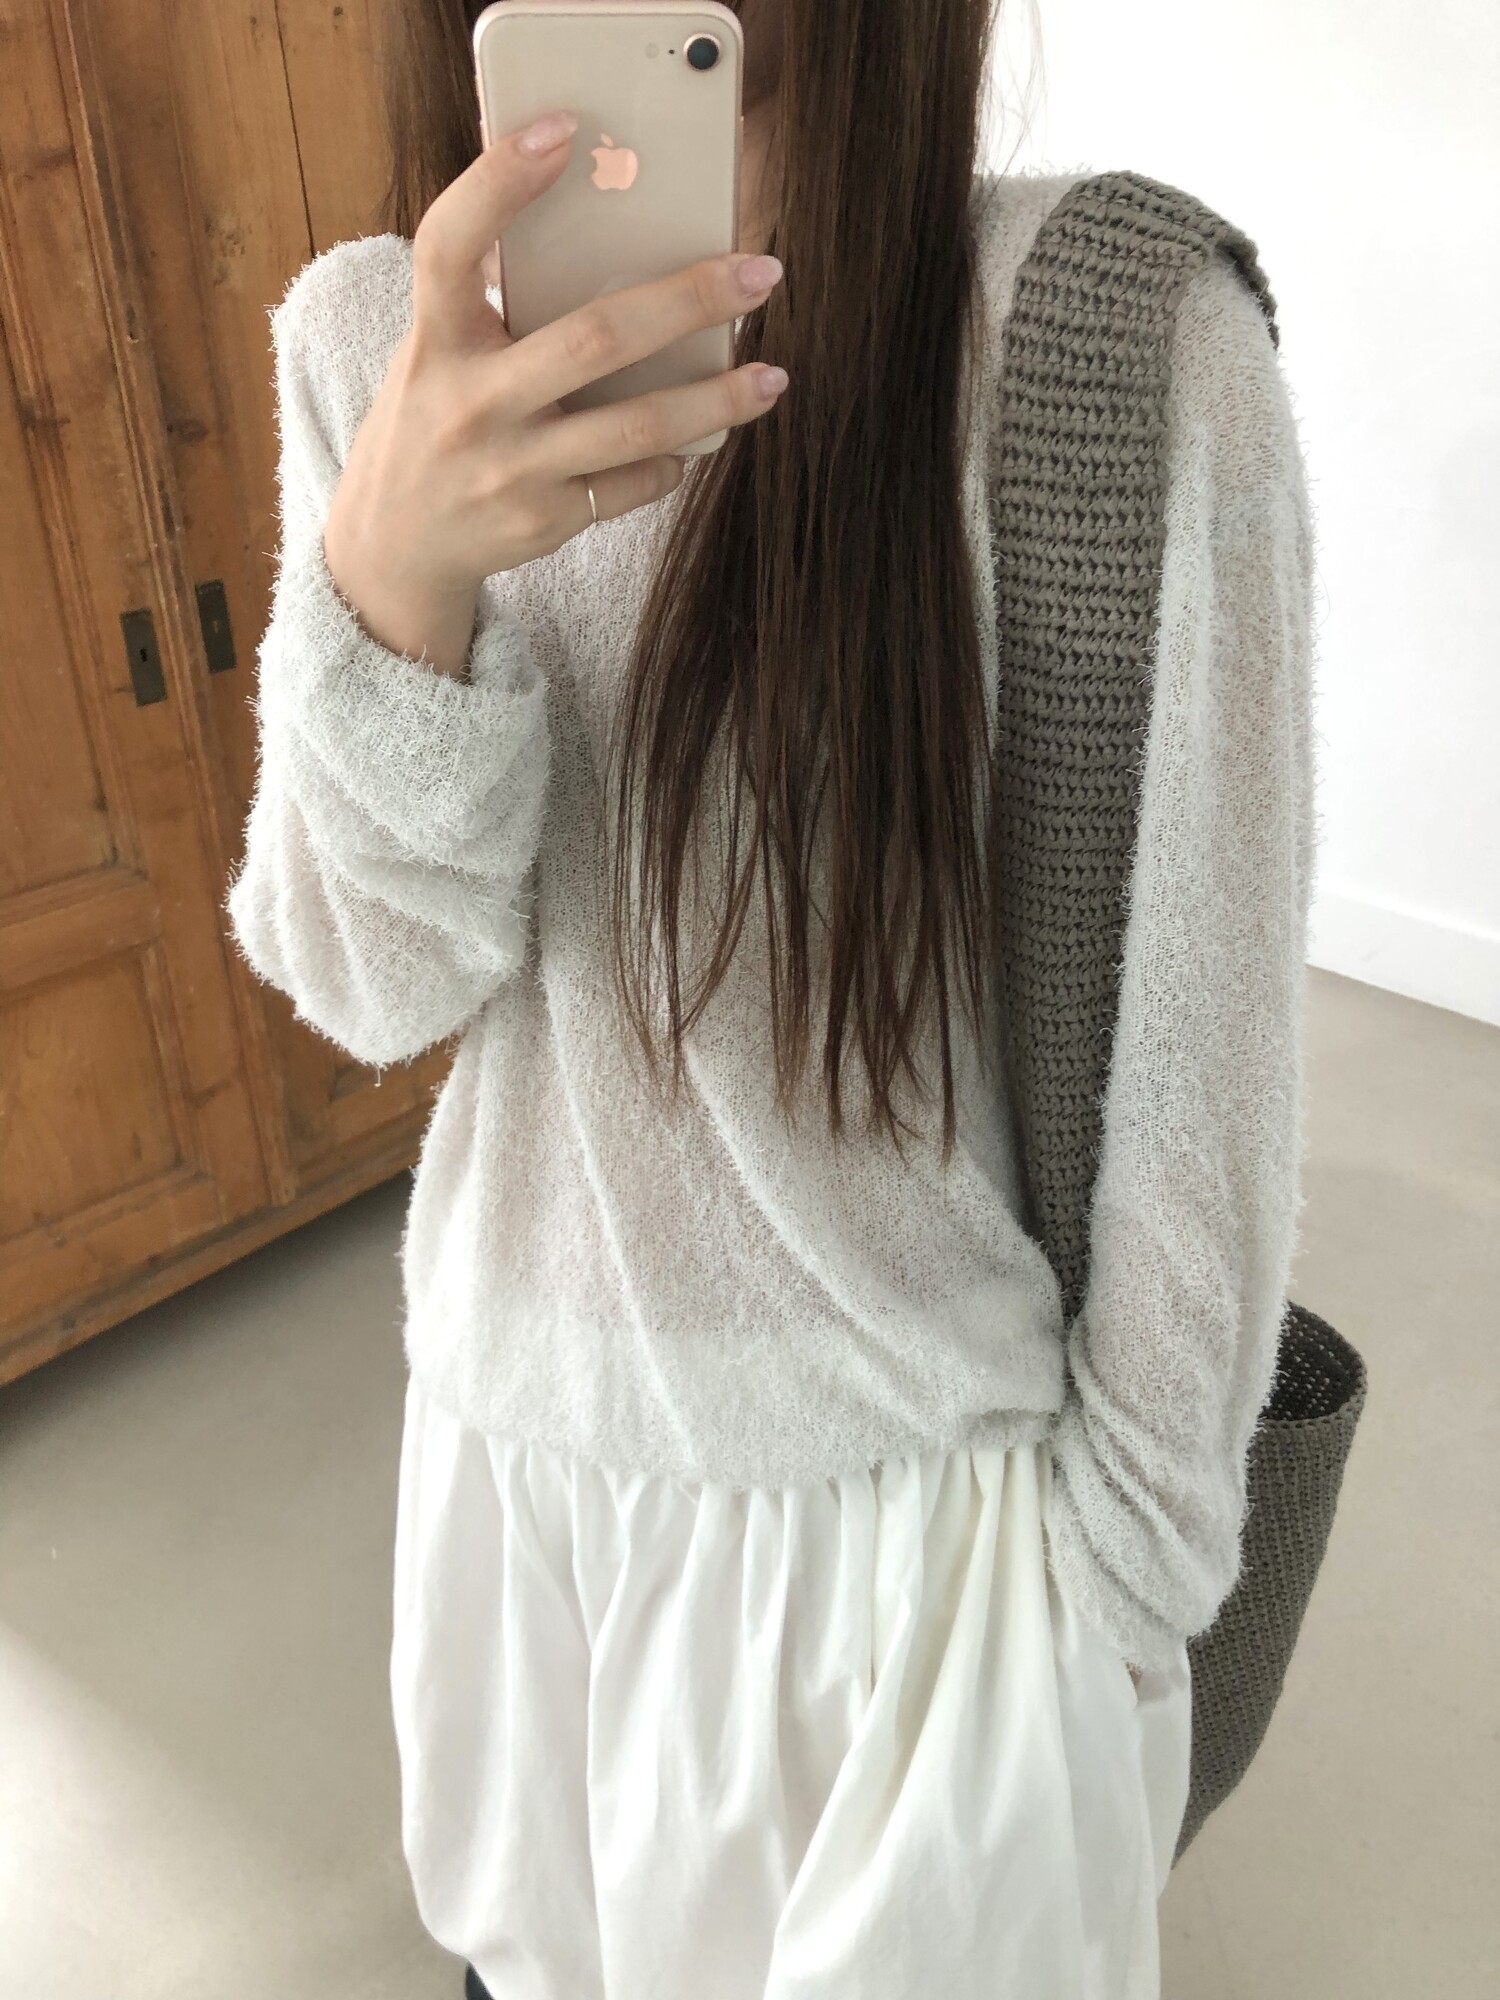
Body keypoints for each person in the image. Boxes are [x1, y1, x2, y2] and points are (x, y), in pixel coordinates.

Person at [224, 1, 1316, 1994]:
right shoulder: (375, 340)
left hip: (928, 1545)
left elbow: (1204, 1071)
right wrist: (394, 585)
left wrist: (1122, 1583)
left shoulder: (1115, 346)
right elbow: (373, 987)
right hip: (519, 1494)